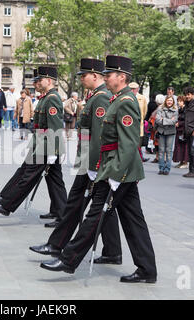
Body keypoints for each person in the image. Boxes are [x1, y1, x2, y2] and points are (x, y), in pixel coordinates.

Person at [40, 55, 157, 284]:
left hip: (118, 170)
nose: (105, 78)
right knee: (134, 220)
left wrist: (116, 175)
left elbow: (129, 143)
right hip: (116, 168)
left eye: (109, 74)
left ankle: (69, 259)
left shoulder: (125, 102)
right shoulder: (117, 99)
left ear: (121, 77)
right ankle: (147, 269)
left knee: (95, 215)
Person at [29, 58, 122, 264]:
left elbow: (99, 136)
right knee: (97, 206)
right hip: (89, 160)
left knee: (78, 205)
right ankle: (112, 251)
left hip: (93, 163)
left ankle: (57, 245)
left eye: (84, 75)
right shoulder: (95, 97)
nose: (81, 79)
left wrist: (94, 166)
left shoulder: (101, 99)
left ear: (94, 76)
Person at [0, 66, 67, 228]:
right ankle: (60, 212)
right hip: (41, 143)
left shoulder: (53, 98)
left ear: (49, 80)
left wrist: (53, 151)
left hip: (47, 146)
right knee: (54, 180)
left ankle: (7, 205)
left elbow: (55, 127)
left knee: (28, 176)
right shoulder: (46, 97)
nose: (36, 83)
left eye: (39, 80)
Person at [155, 96, 178, 175]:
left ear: (173, 102)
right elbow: (157, 120)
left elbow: (174, 121)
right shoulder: (160, 108)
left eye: (171, 101)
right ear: (165, 101)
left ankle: (167, 169)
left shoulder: (175, 109)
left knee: (169, 151)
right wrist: (169, 120)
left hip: (170, 132)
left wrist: (163, 120)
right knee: (161, 150)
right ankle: (161, 168)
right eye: (168, 100)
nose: (169, 102)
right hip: (161, 131)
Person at [129, 82, 149, 162]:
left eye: (134, 89)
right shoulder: (125, 97)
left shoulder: (142, 98)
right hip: (128, 125)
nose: (133, 90)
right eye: (131, 89)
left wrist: (140, 121)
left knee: (137, 146)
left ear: (137, 89)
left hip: (138, 126)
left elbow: (144, 112)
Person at [173, 96, 188, 168]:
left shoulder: (186, 109)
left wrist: (179, 123)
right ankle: (181, 161)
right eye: (178, 101)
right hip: (178, 129)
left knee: (184, 146)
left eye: (180, 101)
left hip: (183, 130)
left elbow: (186, 120)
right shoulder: (179, 109)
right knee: (178, 146)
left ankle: (185, 162)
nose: (179, 103)